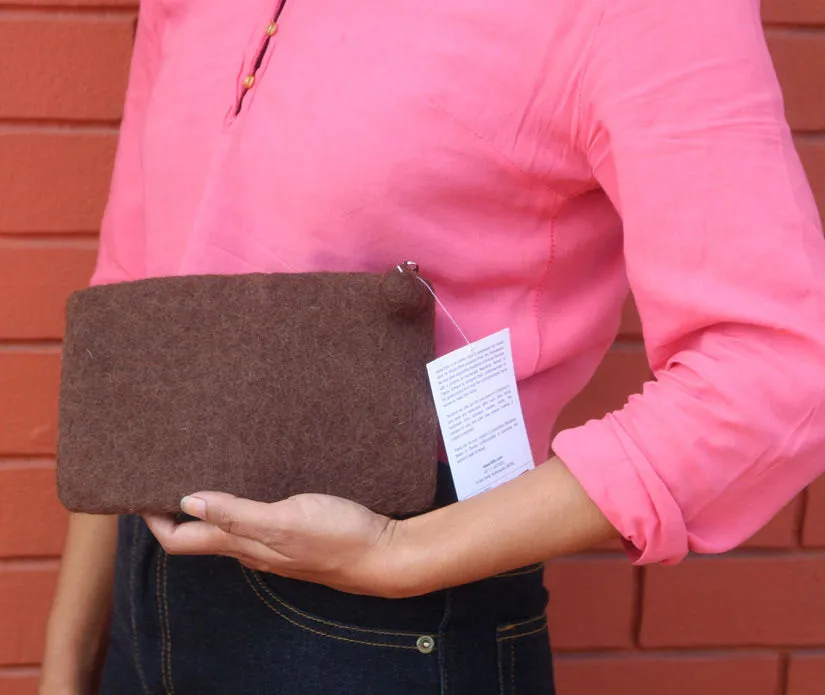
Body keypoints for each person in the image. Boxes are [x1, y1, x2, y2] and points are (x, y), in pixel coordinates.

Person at [40, 1, 825, 693]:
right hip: (140, 598)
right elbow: (126, 311)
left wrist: (396, 553)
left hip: (379, 622)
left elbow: (778, 365)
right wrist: (67, 665)